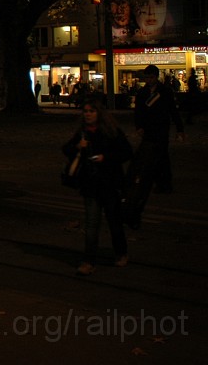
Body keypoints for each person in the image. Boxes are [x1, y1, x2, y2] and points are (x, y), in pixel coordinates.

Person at [62, 98, 133, 275]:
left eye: (91, 111)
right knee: (92, 223)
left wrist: (106, 158)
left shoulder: (111, 132)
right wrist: (78, 146)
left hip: (109, 183)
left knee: (114, 221)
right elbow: (66, 149)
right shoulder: (83, 132)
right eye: (85, 111)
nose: (88, 114)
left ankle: (120, 252)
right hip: (90, 183)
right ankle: (89, 260)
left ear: (99, 113)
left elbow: (126, 152)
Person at [131, 64, 184, 198]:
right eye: (147, 77)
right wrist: (139, 127)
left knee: (162, 157)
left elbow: (173, 110)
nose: (149, 80)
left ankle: (164, 184)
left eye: (151, 77)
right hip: (148, 130)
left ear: (156, 77)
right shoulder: (142, 92)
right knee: (149, 157)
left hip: (161, 128)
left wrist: (179, 129)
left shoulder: (165, 91)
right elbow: (138, 112)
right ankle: (154, 181)